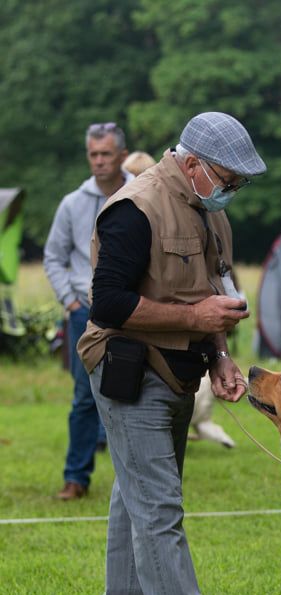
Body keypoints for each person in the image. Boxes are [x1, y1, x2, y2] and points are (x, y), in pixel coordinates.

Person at [77, 112, 266, 595]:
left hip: (182, 367)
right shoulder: (134, 210)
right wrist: (196, 321)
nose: (233, 190)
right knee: (158, 503)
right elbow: (108, 303)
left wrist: (221, 358)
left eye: (239, 182)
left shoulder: (211, 212)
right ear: (190, 164)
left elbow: (211, 296)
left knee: (133, 495)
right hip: (126, 365)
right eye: (228, 179)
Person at [43, 123, 132, 500]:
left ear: (122, 156)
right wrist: (71, 301)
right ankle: (76, 477)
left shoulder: (141, 193)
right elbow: (53, 256)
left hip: (134, 310)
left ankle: (134, 480)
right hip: (87, 313)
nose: (98, 161)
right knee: (84, 397)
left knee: (135, 395)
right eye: (93, 154)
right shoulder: (72, 203)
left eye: (105, 154)